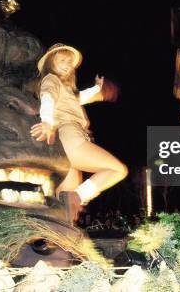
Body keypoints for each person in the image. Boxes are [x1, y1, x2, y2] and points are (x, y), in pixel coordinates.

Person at [30, 43, 128, 220]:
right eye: (62, 60)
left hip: (67, 140)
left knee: (64, 209)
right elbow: (47, 98)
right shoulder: (51, 80)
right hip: (70, 137)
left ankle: (53, 231)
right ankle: (79, 196)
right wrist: (46, 121)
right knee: (117, 170)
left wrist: (98, 89)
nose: (68, 65)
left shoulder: (65, 89)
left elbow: (79, 98)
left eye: (70, 62)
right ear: (50, 63)